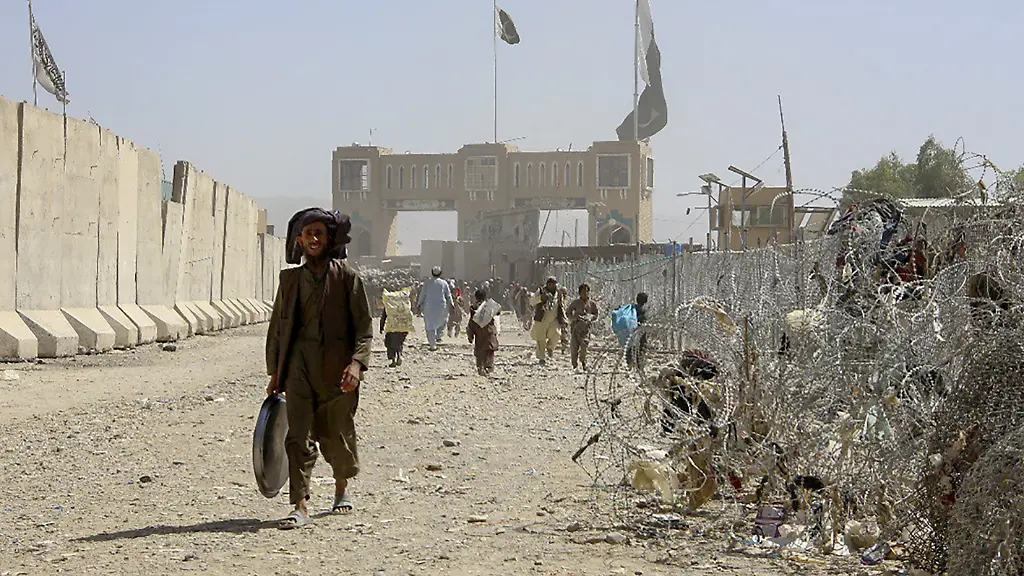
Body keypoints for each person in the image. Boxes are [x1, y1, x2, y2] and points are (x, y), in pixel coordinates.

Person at [266, 207, 372, 529]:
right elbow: (278, 327)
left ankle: (341, 487)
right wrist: (275, 372)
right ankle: (300, 505)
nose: (314, 239)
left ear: (329, 240)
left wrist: (357, 364)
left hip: (337, 369)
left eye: (319, 234)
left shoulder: (346, 277)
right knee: (297, 436)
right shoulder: (289, 280)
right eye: (308, 234)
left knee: (336, 434)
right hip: (298, 366)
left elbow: (364, 328)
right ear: (299, 240)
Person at [531, 277, 567, 365]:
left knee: (556, 334)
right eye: (550, 284)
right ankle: (541, 358)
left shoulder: (559, 293)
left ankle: (550, 347)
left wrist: (564, 318)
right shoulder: (540, 291)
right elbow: (532, 301)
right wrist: (541, 298)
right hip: (542, 319)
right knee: (541, 339)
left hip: (554, 319)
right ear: (547, 284)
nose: (552, 286)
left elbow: (562, 305)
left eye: (553, 284)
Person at [417, 266, 454, 351]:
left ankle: (432, 345)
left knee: (430, 326)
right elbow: (448, 295)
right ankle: (438, 337)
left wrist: (418, 304)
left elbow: (422, 294)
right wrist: (452, 304)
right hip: (441, 306)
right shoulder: (444, 283)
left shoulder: (427, 283)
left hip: (429, 307)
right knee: (442, 322)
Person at [566, 283, 599, 372]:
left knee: (584, 347)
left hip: (586, 330)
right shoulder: (575, 303)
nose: (585, 293)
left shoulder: (592, 304)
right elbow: (568, 312)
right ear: (580, 293)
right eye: (583, 292)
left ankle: (584, 363)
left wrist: (590, 318)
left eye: (587, 292)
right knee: (574, 348)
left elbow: (596, 314)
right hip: (575, 329)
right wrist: (574, 317)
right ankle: (574, 366)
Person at [467, 288, 500, 376]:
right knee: (489, 349)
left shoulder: (473, 307)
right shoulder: (489, 305)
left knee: (479, 350)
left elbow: (471, 322)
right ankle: (488, 367)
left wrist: (470, 336)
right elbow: (498, 312)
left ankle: (480, 367)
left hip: (478, 331)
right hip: (489, 330)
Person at [627, 292, 649, 369]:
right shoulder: (643, 309)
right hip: (640, 329)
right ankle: (639, 363)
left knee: (631, 346)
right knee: (642, 346)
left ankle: (630, 363)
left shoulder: (632, 308)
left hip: (632, 329)